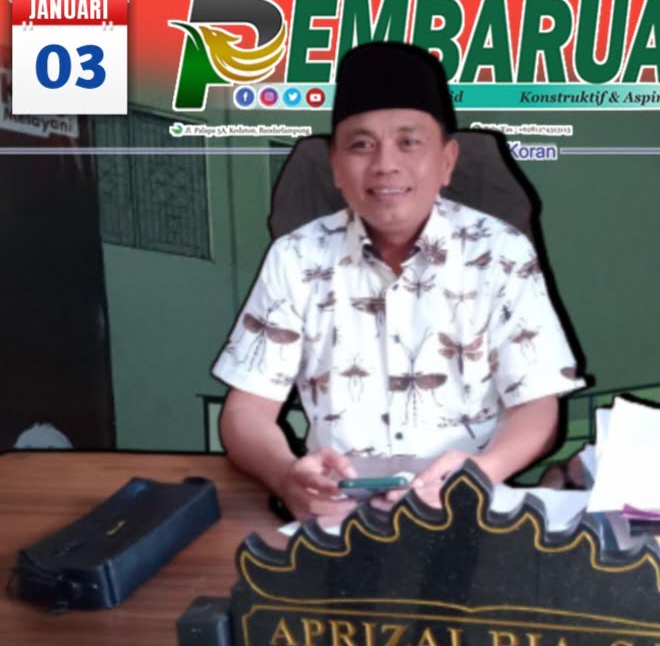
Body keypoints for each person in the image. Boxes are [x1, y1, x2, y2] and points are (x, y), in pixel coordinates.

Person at [212, 42, 583, 525]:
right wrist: (286, 475)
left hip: (468, 504)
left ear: (447, 161)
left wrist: (482, 472)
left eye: (409, 143)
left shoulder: (501, 252)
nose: (385, 164)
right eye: (361, 145)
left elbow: (537, 406)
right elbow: (245, 412)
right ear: (335, 165)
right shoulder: (295, 257)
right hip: (337, 509)